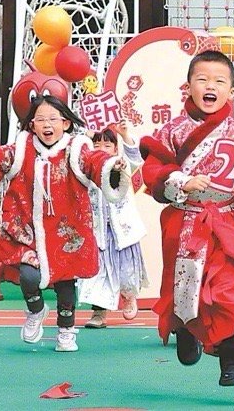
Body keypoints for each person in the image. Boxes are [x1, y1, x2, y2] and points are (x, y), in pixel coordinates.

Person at [0, 95, 129, 352]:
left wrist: (113, 165)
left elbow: (95, 162)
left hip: (67, 232)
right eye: (41, 119)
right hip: (27, 230)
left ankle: (67, 331)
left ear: (66, 123)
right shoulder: (22, 149)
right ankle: (35, 310)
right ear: (32, 125)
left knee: (66, 286)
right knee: (28, 275)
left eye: (53, 119)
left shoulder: (77, 148)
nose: (47, 125)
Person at [140, 50, 234, 387]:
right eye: (202, 79)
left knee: (229, 293)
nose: (210, 86)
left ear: (231, 91)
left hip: (229, 223)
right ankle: (186, 329)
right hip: (187, 223)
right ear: (189, 87)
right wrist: (181, 181)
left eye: (219, 81)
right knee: (188, 290)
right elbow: (153, 170)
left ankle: (231, 360)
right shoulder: (173, 130)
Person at [78, 121, 148, 328]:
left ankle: (129, 296)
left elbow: (135, 159)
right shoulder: (86, 167)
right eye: (96, 145)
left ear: (115, 148)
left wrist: (125, 135)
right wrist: (85, 133)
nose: (101, 150)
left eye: (107, 145)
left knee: (126, 270)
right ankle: (99, 313)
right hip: (97, 231)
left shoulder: (122, 162)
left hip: (122, 230)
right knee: (97, 273)